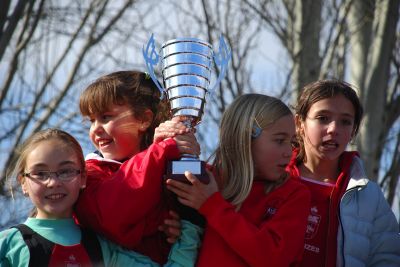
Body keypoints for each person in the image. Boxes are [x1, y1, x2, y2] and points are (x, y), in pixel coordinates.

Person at [0, 128, 202, 267]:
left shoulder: (102, 247)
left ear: (83, 178)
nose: (53, 183)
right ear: (23, 183)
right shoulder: (7, 245)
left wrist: (190, 224)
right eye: (41, 174)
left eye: (66, 171)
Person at [165, 93, 311, 267]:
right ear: (245, 138)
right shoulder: (203, 180)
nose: (289, 151)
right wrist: (179, 229)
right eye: (280, 140)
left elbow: (273, 258)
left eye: (292, 142)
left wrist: (213, 206)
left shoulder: (293, 194)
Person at [74, 70, 200, 264]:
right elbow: (115, 213)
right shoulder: (88, 174)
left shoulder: (163, 166)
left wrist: (177, 226)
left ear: (144, 120)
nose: (96, 129)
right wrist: (162, 149)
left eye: (106, 117)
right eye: (92, 120)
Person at [287, 80, 400, 267]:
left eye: (345, 122)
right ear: (300, 123)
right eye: (323, 118)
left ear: (354, 130)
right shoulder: (273, 180)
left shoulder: (369, 196)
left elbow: (388, 258)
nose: (334, 129)